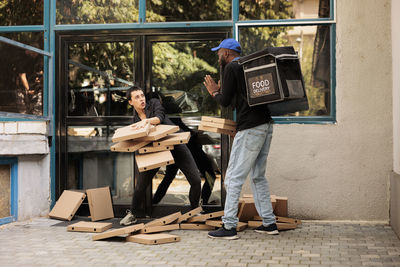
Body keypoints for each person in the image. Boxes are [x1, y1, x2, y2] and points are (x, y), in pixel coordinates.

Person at [203, 38, 278, 239]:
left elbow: (225, 102)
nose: (218, 55)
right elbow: (239, 96)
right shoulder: (247, 66)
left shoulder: (231, 68)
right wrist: (223, 90)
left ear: (226, 53)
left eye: (219, 52)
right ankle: (269, 223)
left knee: (233, 178)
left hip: (251, 128)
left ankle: (228, 227)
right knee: (258, 176)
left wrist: (214, 92)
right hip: (266, 125)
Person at [120, 85, 202, 225]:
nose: (141, 99)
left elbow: (159, 117)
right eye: (137, 97)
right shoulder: (134, 122)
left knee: (195, 180)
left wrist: (146, 121)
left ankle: (195, 210)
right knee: (141, 185)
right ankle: (133, 213)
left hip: (175, 145)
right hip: (154, 150)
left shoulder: (154, 103)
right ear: (130, 102)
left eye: (142, 96)